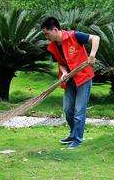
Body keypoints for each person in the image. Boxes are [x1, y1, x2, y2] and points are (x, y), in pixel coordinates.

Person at [41, 17, 100, 149]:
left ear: (55, 30)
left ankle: (77, 139)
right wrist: (63, 72)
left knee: (79, 110)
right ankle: (73, 134)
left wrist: (92, 55)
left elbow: (96, 38)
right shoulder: (53, 46)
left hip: (84, 78)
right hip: (70, 80)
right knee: (68, 110)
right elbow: (61, 63)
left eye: (46, 33)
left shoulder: (74, 36)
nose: (46, 36)